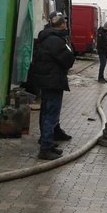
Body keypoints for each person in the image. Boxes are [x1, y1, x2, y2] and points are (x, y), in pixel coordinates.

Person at [27, 12, 75, 160]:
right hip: (53, 81)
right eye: (64, 24)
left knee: (45, 111)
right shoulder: (56, 41)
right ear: (62, 25)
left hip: (45, 80)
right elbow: (68, 59)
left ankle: (46, 140)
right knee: (51, 114)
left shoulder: (45, 37)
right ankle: (45, 148)